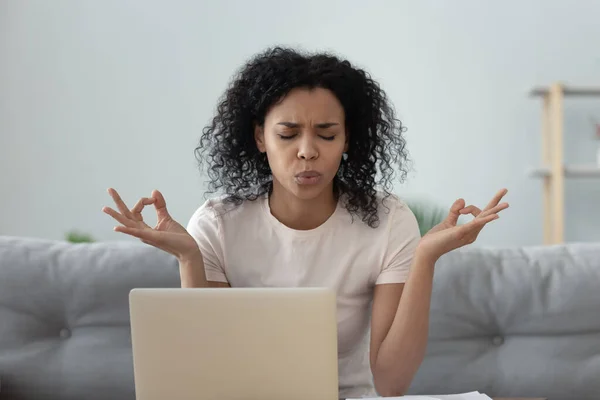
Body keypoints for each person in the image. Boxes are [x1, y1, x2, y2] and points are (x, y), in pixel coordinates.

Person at [102, 47, 509, 398]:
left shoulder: (388, 219)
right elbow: (208, 375)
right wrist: (190, 258)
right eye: (288, 134)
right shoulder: (218, 222)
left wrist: (425, 257)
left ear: (348, 140)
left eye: (327, 135)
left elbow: (391, 383)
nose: (307, 152)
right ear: (260, 138)